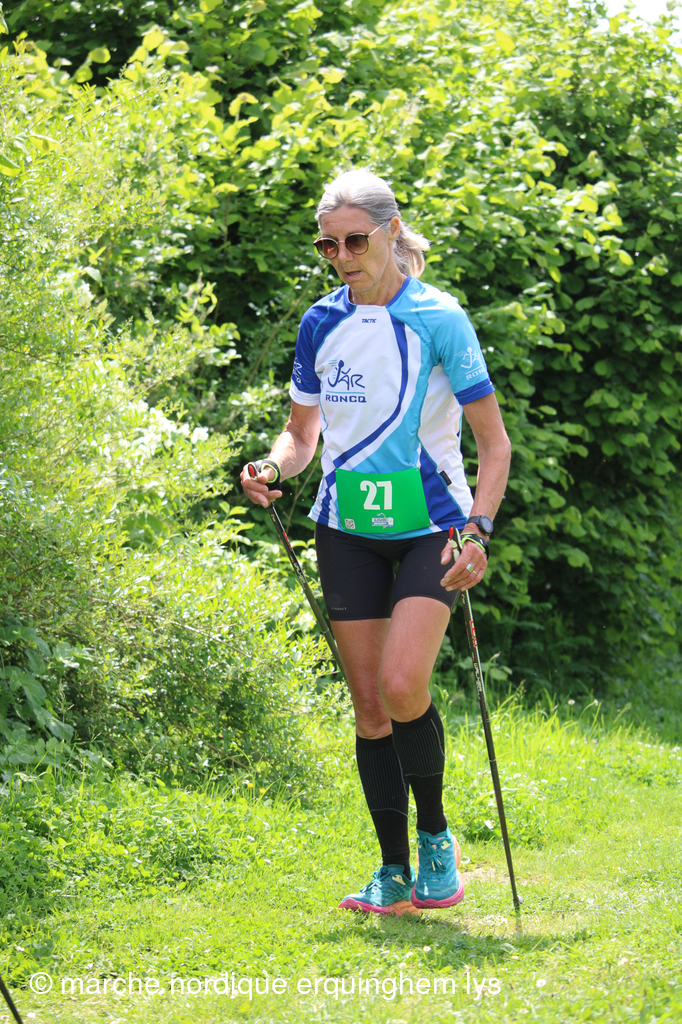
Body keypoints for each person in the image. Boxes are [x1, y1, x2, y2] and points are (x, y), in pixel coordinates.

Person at [241, 169, 511, 916]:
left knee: (401, 686)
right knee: (368, 705)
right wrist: (272, 467)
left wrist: (480, 528)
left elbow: (494, 445)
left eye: (356, 240)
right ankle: (393, 870)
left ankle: (436, 839)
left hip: (433, 526)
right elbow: (301, 436)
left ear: (391, 233)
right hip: (347, 530)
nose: (342, 256)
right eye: (328, 245)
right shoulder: (320, 322)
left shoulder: (439, 318)